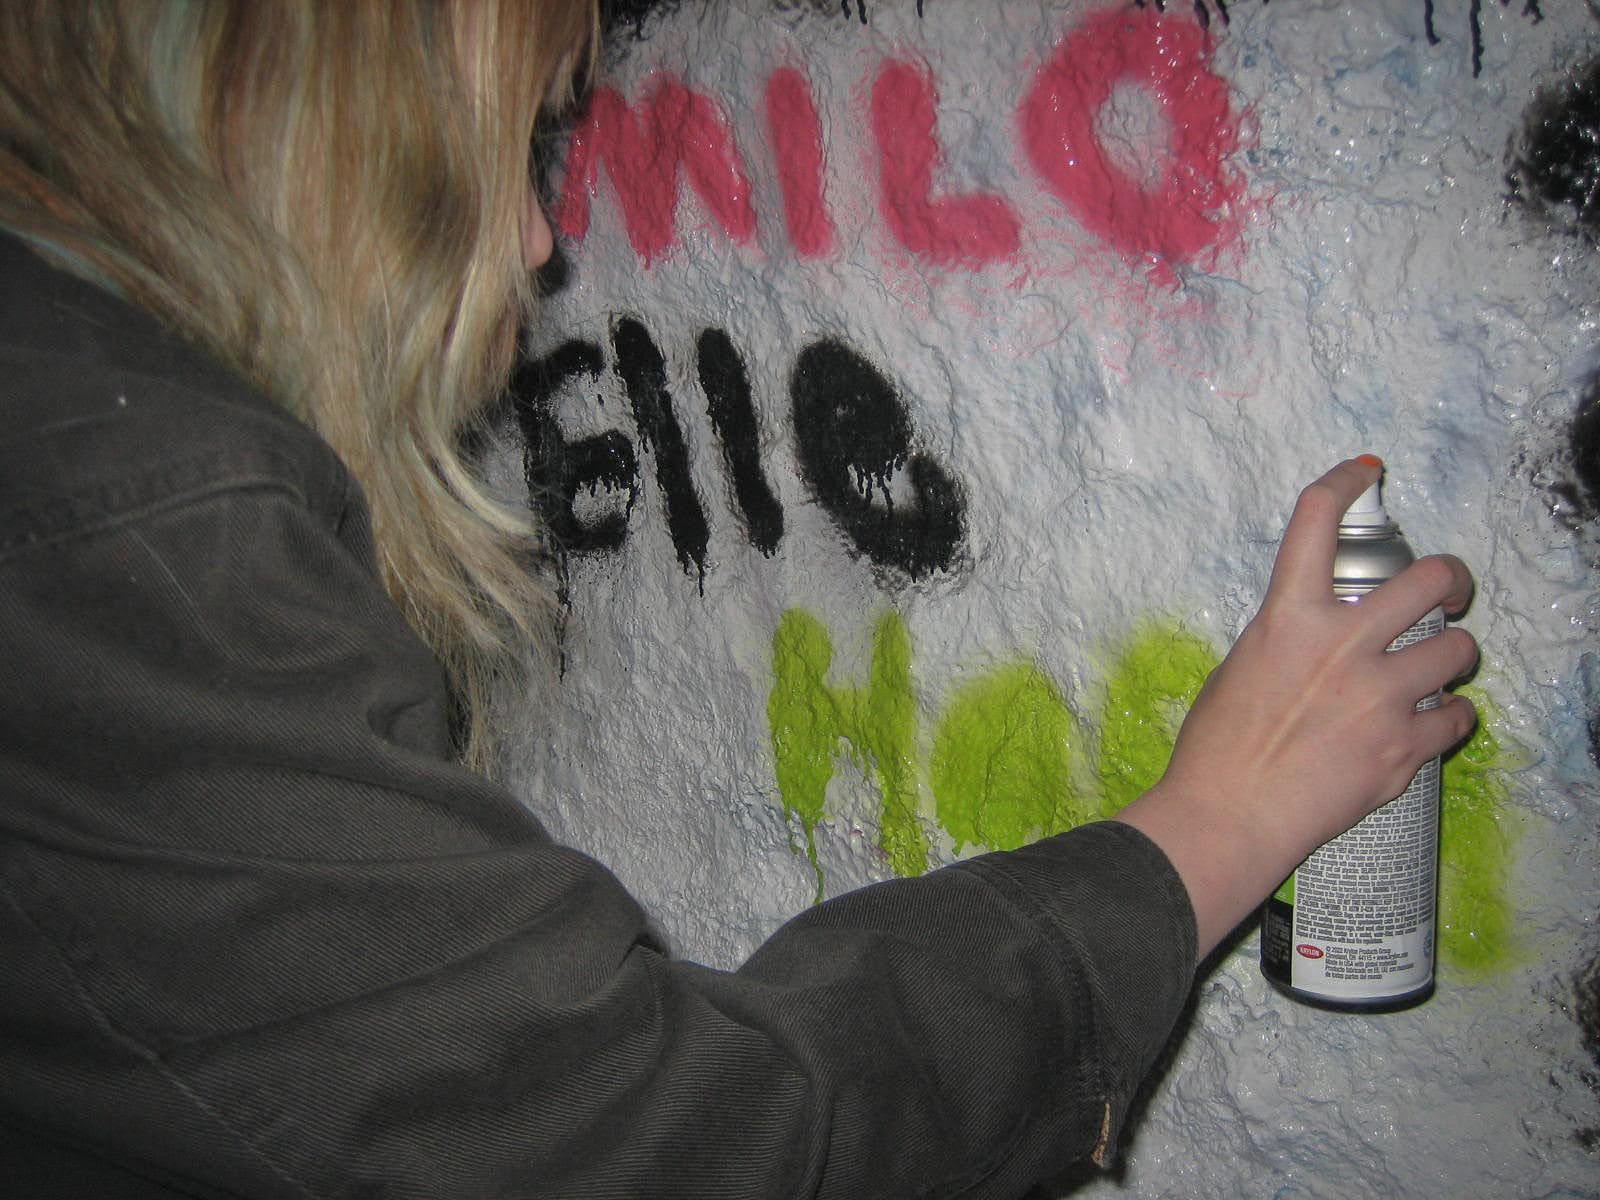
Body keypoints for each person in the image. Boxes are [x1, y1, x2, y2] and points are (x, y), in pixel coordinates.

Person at [0, 3, 1478, 1197]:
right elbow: (655, 1147)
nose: (537, 240)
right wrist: (1213, 827)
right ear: (302, 114)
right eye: (502, 145)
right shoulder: (129, 512)